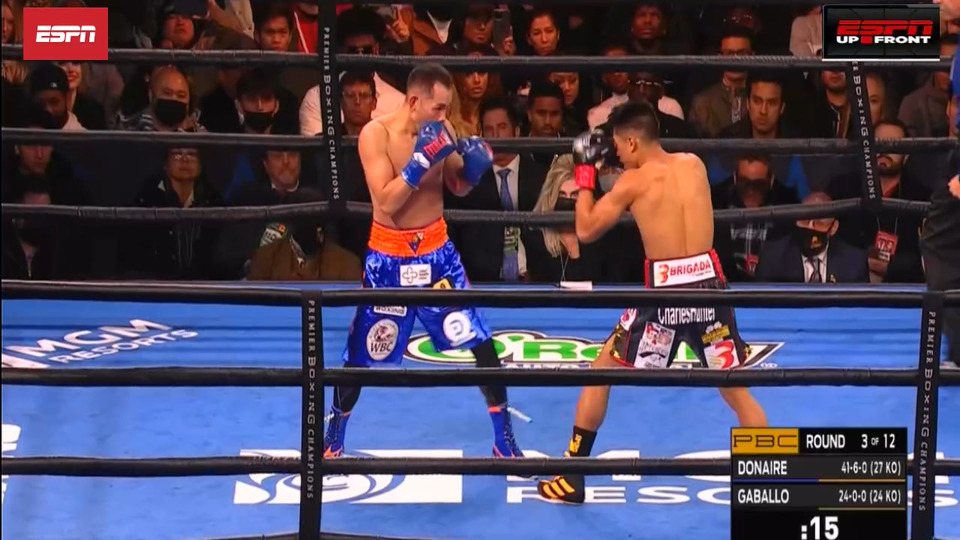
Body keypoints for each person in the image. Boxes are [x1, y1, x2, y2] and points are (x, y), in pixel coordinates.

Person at [537, 100, 768, 503]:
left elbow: (586, 229)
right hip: (709, 287)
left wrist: (586, 173)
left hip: (663, 295)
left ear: (631, 142)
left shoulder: (633, 182)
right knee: (735, 389)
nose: (617, 154)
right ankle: (769, 478)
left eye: (618, 146)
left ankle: (572, 475)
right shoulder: (694, 164)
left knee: (601, 370)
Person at [324, 63, 524, 459]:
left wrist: (473, 169)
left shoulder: (441, 129)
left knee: (481, 342)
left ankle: (504, 439)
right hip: (388, 258)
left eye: (447, 108)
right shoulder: (376, 135)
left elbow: (457, 186)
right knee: (361, 354)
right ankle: (334, 436)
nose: (445, 116)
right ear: (414, 101)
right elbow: (387, 201)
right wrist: (419, 160)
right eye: (438, 108)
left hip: (437, 256)